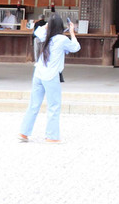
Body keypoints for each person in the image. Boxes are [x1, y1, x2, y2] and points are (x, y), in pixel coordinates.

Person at [19, 13, 80, 143]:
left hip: (38, 73)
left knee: (33, 105)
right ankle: (51, 136)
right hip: (51, 75)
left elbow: (37, 31)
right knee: (54, 106)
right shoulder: (61, 39)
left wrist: (47, 25)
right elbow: (76, 47)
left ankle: (24, 133)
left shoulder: (45, 35)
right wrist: (72, 31)